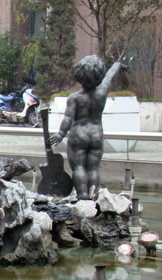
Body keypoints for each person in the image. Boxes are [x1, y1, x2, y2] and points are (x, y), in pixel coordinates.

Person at [49, 55, 123, 200]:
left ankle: (82, 197)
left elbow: (68, 118)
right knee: (93, 168)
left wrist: (61, 133)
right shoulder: (102, 92)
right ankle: (93, 196)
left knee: (78, 167)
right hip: (96, 134)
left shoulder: (75, 98)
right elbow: (110, 76)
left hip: (79, 133)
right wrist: (118, 64)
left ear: (79, 75)